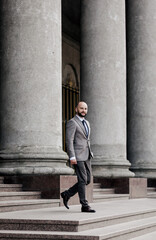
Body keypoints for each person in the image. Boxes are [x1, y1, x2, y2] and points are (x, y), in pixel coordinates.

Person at [61, 101, 95, 213]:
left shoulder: (87, 123)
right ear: (76, 109)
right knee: (82, 179)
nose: (83, 111)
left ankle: (67, 194)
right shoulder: (72, 122)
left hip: (87, 154)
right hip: (78, 155)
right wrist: (72, 156)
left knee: (87, 180)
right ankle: (84, 205)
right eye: (81, 108)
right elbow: (69, 141)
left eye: (85, 109)